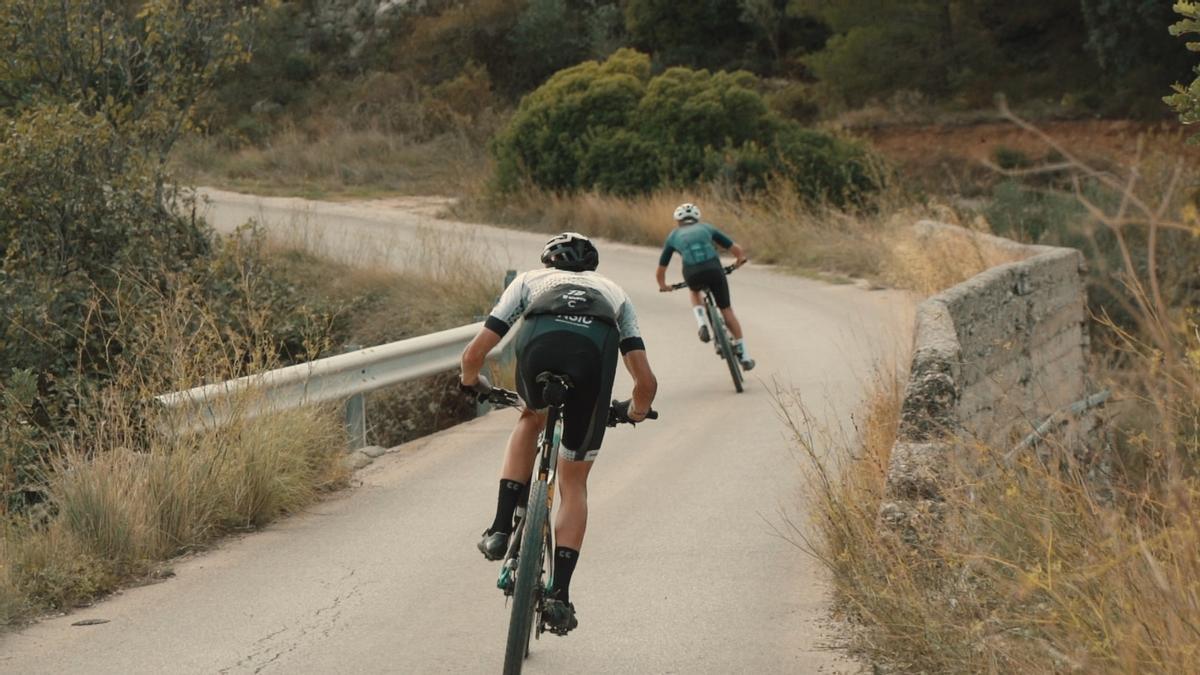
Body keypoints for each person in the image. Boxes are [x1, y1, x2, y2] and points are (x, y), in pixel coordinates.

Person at [459, 232, 658, 635]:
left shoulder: (529, 281)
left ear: (549, 262)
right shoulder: (614, 292)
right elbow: (646, 382)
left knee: (531, 416)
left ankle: (499, 530)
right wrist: (634, 412)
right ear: (592, 268)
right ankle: (559, 596)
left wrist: (470, 382)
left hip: (540, 351)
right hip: (592, 362)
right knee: (574, 483)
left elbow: (474, 354)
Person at [655, 202, 755, 370]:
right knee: (726, 310)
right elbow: (736, 249)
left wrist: (664, 285)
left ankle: (702, 323)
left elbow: (661, 270)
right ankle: (744, 356)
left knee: (694, 291)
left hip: (692, 272)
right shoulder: (707, 228)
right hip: (715, 270)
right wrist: (739, 261)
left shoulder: (673, 236)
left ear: (678, 221)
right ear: (697, 218)